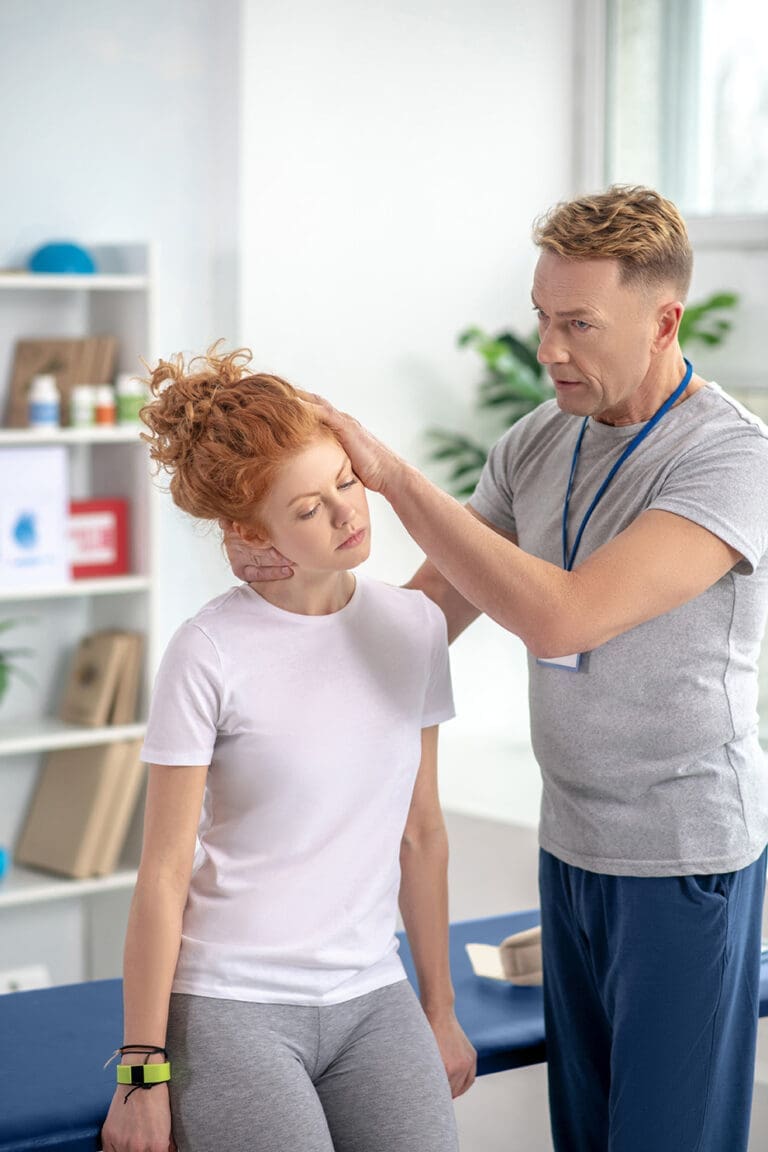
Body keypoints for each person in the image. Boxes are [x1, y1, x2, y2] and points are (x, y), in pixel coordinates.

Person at [228, 185, 768, 1152]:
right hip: (570, 844)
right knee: (587, 1133)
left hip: (684, 856)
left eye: (577, 325)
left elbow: (563, 616)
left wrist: (392, 478)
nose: (548, 349)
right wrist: (283, 598)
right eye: (541, 319)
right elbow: (426, 616)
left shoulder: (729, 459)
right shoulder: (537, 439)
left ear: (663, 321)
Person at [100, 347, 475, 1152]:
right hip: (232, 1002)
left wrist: (439, 1012)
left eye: (346, 481)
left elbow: (421, 833)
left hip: (373, 995)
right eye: (308, 508)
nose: (348, 515)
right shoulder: (209, 648)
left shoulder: (412, 628)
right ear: (247, 530)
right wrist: (141, 1070)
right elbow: (164, 871)